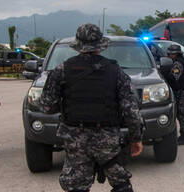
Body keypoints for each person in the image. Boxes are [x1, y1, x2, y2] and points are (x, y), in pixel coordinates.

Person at [39, 24, 143, 192]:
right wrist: (136, 138)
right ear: (100, 45)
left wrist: (68, 106)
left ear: (78, 45)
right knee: (121, 184)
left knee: (77, 186)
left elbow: (46, 106)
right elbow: (130, 110)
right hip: (107, 141)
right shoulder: (115, 71)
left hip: (75, 140)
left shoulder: (62, 70)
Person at [163, 44, 184, 145]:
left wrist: (165, 75)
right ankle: (183, 134)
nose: (168, 55)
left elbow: (173, 77)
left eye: (170, 53)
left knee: (182, 113)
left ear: (174, 54)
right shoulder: (180, 61)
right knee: (180, 112)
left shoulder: (178, 63)